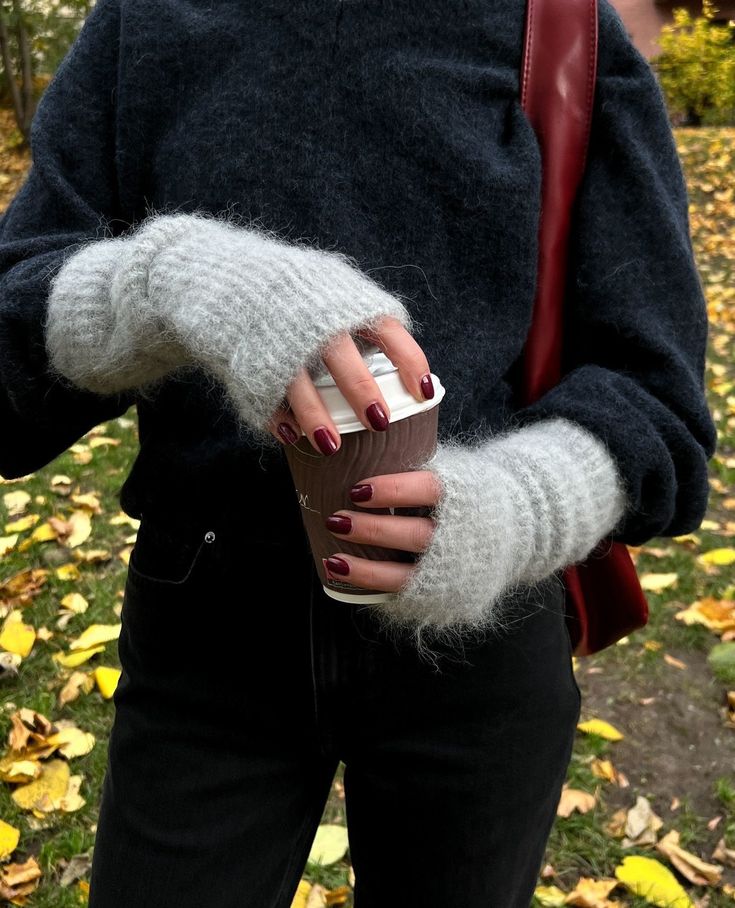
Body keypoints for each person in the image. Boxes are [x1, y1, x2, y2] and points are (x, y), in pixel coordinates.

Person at [0, 0, 717, 904]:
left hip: (479, 645)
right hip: (206, 629)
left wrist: (513, 510)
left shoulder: (559, 28)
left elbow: (659, 407)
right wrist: (160, 282)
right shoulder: (144, 23)